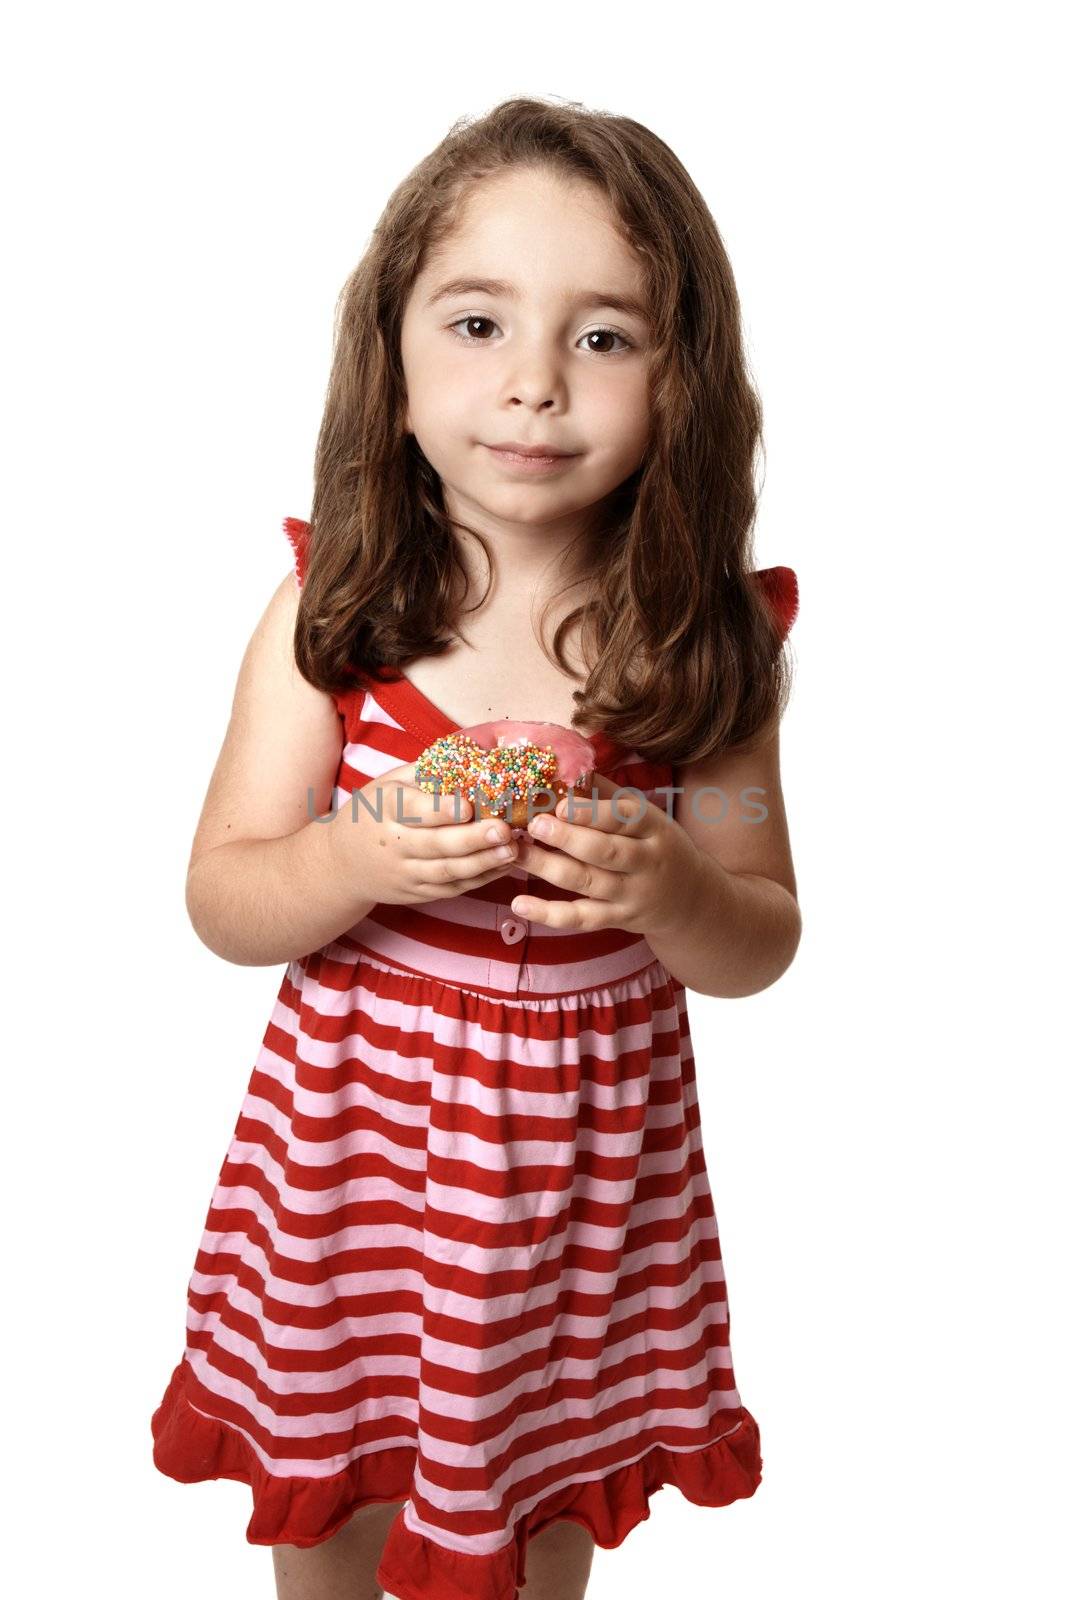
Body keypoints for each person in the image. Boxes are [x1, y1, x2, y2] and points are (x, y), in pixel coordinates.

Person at [150, 94, 801, 1600]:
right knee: (340, 1506)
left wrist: (675, 886)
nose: (531, 388)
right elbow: (227, 894)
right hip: (355, 1168)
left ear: (682, 381)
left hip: (579, 1195)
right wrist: (359, 857)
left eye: (602, 337)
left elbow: (762, 928)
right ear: (388, 363)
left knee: (529, 1510)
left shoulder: (702, 647)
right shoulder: (338, 618)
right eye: (476, 323)